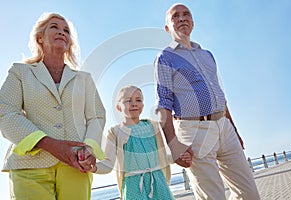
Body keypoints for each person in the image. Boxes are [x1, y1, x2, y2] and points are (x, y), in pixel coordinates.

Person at [154, 3, 260, 200]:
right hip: (194, 132)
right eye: (175, 16)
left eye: (186, 14)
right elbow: (163, 103)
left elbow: (220, 95)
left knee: (250, 194)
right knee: (213, 196)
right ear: (167, 27)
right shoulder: (165, 57)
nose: (182, 18)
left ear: (192, 22)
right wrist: (174, 145)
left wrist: (234, 130)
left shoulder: (207, 55)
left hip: (224, 127)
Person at [0, 12, 106, 200]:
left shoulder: (84, 79)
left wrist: (88, 149)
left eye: (66, 30)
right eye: (54, 27)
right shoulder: (20, 72)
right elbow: (6, 113)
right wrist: (50, 144)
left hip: (75, 165)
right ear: (39, 38)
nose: (61, 32)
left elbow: (96, 116)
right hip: (29, 165)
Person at [85, 85, 191, 199]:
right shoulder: (115, 132)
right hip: (133, 186)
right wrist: (93, 167)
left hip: (158, 183)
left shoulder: (153, 126)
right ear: (118, 107)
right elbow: (108, 163)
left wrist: (179, 156)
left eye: (138, 100)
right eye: (128, 100)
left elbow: (162, 156)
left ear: (143, 105)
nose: (134, 103)